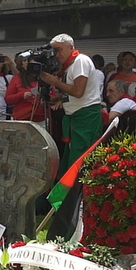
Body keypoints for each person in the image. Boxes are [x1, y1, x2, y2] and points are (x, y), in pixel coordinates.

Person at [40, 34, 102, 176]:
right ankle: (69, 194)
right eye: (54, 51)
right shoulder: (70, 65)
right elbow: (74, 93)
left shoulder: (80, 60)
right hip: (76, 117)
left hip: (85, 117)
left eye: (59, 50)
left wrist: (54, 82)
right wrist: (59, 97)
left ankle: (76, 195)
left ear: (70, 47)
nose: (56, 54)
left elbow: (78, 91)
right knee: (72, 158)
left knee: (79, 160)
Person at [4, 55, 44, 123]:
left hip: (41, 118)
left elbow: (52, 95)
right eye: (24, 60)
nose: (26, 63)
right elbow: (8, 99)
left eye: (29, 61)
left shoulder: (44, 77)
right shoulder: (17, 78)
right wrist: (22, 95)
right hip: (22, 118)